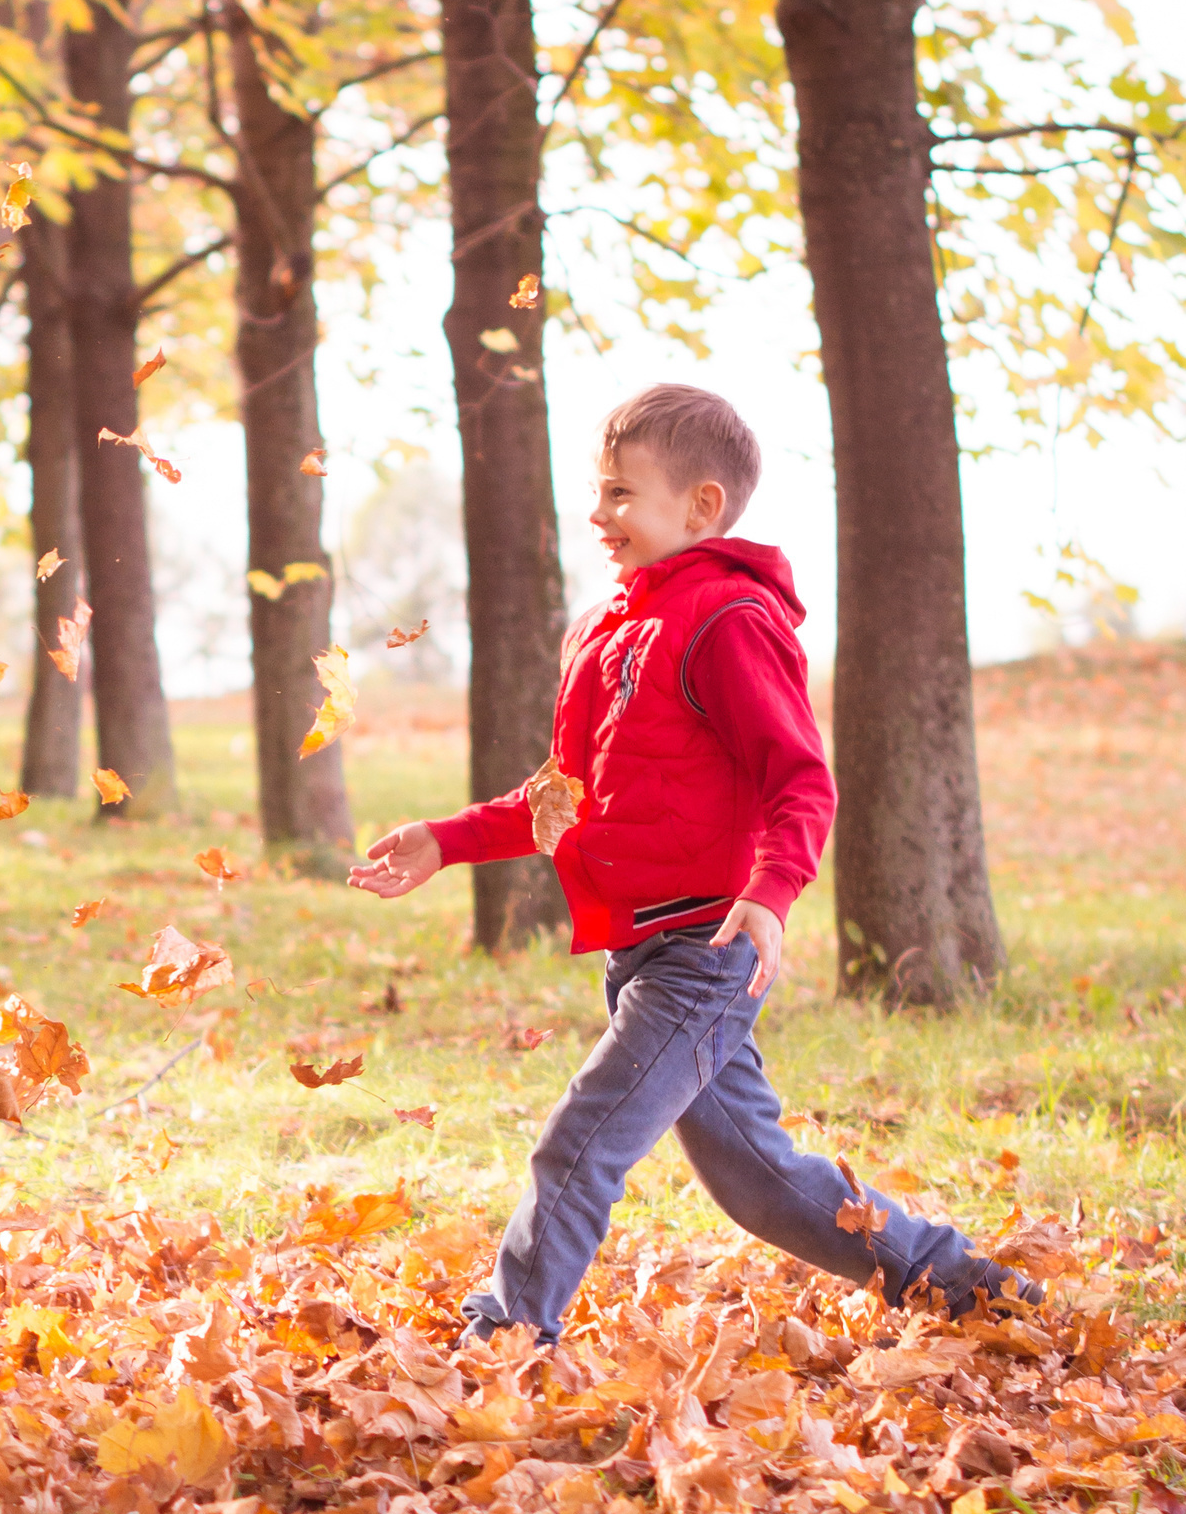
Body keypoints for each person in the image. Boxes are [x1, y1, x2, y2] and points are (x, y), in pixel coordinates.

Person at [350, 384, 1027, 1347]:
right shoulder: (602, 631)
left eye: (622, 494)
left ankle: (506, 1335)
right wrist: (447, 839)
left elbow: (801, 780)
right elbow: (566, 794)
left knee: (580, 1142)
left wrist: (770, 896)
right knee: (765, 1186)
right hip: (644, 950)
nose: (598, 513)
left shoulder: (728, 622)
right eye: (598, 491)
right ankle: (962, 1284)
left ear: (699, 508)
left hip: (704, 950)